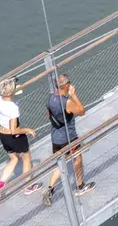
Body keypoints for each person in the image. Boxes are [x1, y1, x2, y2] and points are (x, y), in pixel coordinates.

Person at [41, 72, 93, 208]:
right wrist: (73, 95)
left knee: (60, 163)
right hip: (68, 138)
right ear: (65, 86)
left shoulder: (50, 98)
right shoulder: (67, 102)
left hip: (55, 139)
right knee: (78, 159)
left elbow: (48, 114)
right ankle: (80, 186)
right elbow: (82, 111)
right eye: (69, 83)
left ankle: (50, 189)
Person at [0, 78, 35, 193]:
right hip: (14, 137)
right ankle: (28, 186)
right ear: (12, 92)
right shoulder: (13, 108)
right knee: (26, 158)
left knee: (14, 159)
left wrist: (3, 117)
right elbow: (14, 130)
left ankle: (0, 187)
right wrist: (28, 130)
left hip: (3, 135)